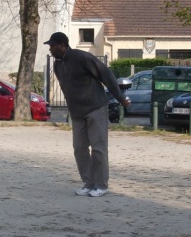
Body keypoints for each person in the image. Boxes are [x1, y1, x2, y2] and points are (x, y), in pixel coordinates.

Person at [45, 32, 131, 197]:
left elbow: (106, 74)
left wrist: (120, 97)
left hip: (95, 107)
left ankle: (101, 185)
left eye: (53, 45)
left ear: (62, 45)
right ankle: (88, 183)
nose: (50, 49)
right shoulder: (57, 65)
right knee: (79, 148)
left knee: (98, 147)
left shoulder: (82, 57)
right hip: (77, 112)